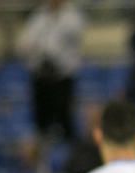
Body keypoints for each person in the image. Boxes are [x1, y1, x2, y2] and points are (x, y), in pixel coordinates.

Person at [16, 0, 84, 140]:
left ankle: (66, 155)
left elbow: (70, 37)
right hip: (41, 76)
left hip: (62, 77)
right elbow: (25, 43)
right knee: (41, 124)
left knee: (65, 122)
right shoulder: (38, 16)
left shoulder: (72, 16)